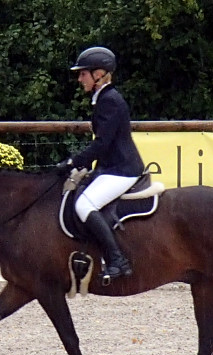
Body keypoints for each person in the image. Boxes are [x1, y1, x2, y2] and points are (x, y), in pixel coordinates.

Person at [60, 46, 145, 281]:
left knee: (84, 205)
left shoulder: (110, 101)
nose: (79, 79)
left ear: (99, 74)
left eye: (83, 74)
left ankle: (117, 260)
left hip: (122, 170)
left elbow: (103, 144)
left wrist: (73, 162)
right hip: (111, 167)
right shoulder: (103, 99)